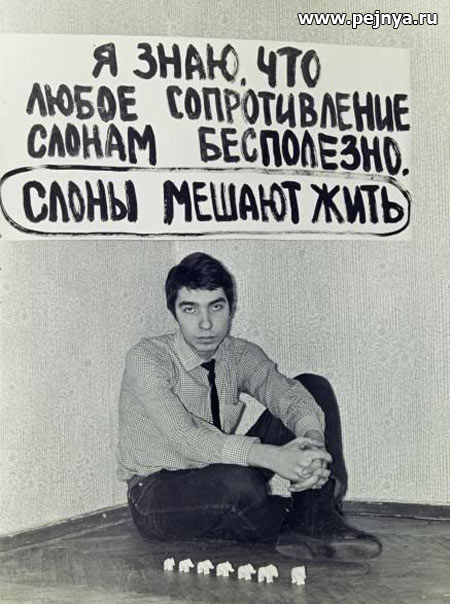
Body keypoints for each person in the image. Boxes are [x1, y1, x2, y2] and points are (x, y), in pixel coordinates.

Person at [117, 252, 381, 561]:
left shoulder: (239, 354)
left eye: (216, 307)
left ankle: (315, 510)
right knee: (241, 484)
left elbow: (287, 396)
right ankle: (304, 519)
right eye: (190, 309)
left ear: (231, 308)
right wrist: (273, 458)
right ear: (173, 312)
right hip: (157, 494)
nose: (205, 324)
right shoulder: (147, 358)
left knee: (311, 387)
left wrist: (314, 443)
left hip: (219, 475)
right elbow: (185, 438)